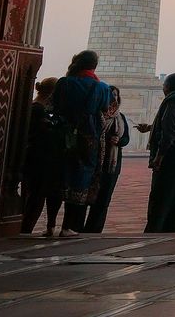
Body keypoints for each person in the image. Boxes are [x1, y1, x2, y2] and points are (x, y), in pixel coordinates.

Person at [51, 50, 111, 236]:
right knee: (81, 179)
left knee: (58, 178)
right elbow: (105, 109)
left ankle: (50, 225)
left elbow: (54, 106)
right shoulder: (101, 88)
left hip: (62, 136)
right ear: (94, 66)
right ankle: (69, 226)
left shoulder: (64, 83)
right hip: (88, 139)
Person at [137, 73, 175, 233]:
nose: (163, 89)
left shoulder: (173, 101)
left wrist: (159, 157)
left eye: (164, 85)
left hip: (172, 158)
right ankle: (172, 233)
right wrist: (151, 127)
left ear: (169, 86)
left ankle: (154, 233)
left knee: (160, 198)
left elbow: (170, 131)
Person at [83, 86, 130, 233]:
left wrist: (119, 141)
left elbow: (126, 138)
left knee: (103, 200)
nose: (114, 98)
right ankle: (77, 227)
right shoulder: (97, 115)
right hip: (95, 162)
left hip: (111, 164)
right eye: (111, 95)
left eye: (116, 95)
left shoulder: (120, 118)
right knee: (86, 197)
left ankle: (94, 230)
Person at [20, 77, 62, 236]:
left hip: (34, 158)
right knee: (36, 198)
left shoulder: (35, 106)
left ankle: (26, 229)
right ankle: (25, 230)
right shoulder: (38, 109)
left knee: (33, 197)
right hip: (40, 159)